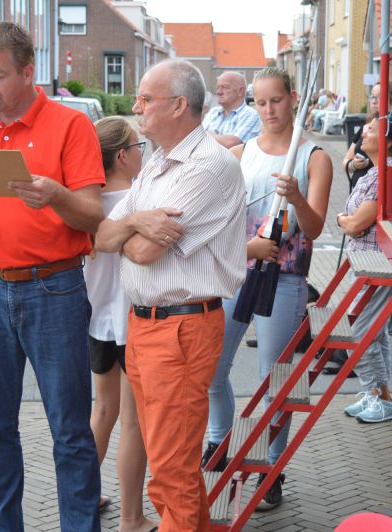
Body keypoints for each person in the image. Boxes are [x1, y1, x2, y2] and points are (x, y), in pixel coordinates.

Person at [0, 22, 104, 531]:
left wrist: (56, 195)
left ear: (28, 73)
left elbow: (92, 215)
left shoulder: (70, 125)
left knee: (70, 430)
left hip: (54, 290)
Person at [95, 59, 246, 532]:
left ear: (179, 105)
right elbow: (102, 235)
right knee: (172, 464)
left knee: (171, 469)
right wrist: (137, 221)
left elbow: (141, 252)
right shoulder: (158, 162)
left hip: (180, 328)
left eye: (145, 98)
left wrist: (127, 229)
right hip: (146, 326)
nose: (136, 106)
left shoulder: (208, 167)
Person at [202, 67, 333, 510]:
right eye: (260, 102)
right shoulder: (241, 153)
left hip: (285, 277)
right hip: (237, 272)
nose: (269, 110)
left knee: (273, 381)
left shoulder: (314, 157)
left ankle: (271, 470)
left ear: (293, 98)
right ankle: (218, 445)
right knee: (212, 370)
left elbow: (313, 229)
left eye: (276, 100)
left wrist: (295, 197)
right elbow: (221, 219)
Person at [86, 116, 157, 532]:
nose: (142, 154)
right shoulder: (137, 203)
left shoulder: (87, 204)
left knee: (103, 410)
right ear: (123, 156)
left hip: (97, 320)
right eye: (138, 147)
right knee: (133, 422)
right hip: (133, 321)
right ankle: (131, 518)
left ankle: (83, 498)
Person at [336, 117, 392, 423]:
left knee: (359, 332)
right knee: (375, 332)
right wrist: (345, 221)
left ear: (388, 141)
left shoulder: (384, 174)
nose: (363, 133)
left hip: (376, 265)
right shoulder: (372, 172)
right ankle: (378, 394)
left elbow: (358, 222)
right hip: (363, 263)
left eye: (371, 129)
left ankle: (379, 397)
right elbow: (352, 220)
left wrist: (345, 222)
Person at [202, 71, 261, 148]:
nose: (219, 92)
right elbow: (196, 140)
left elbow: (232, 144)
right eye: (218, 87)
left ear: (240, 91)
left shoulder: (251, 115)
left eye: (225, 87)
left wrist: (205, 135)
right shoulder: (213, 112)